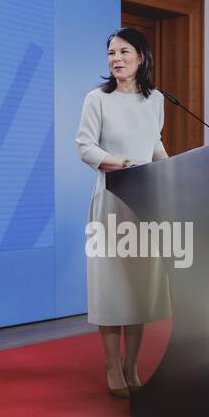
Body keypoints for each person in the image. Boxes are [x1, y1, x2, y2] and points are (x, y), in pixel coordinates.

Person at [75, 28, 171, 398]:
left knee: (139, 287)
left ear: (141, 57)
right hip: (111, 203)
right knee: (111, 285)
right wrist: (121, 163)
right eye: (111, 53)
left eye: (124, 51)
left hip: (147, 206)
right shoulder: (96, 99)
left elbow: (155, 143)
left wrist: (173, 170)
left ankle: (132, 364)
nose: (116, 59)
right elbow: (85, 147)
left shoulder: (156, 100)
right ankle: (112, 363)